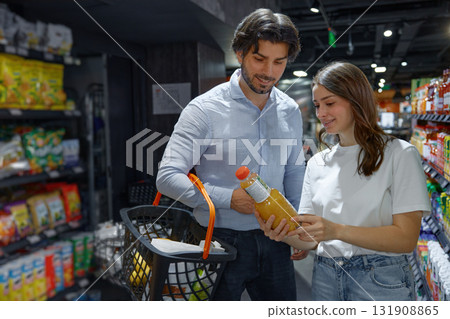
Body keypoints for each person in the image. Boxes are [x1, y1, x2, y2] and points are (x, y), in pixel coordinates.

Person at [156, 8, 306, 301]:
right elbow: (167, 177)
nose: (269, 72)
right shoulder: (204, 110)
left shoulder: (289, 109)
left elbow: (294, 170)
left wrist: (297, 221)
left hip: (277, 238)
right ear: (239, 53)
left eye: (279, 62)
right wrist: (227, 198)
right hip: (218, 239)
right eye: (259, 59)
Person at [256, 61, 431, 301]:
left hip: (380, 278)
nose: (320, 114)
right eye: (317, 105)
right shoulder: (317, 162)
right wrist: (280, 232)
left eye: (330, 103)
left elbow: (405, 239)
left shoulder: (399, 153)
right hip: (325, 276)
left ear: (356, 100)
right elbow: (308, 237)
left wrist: (335, 230)